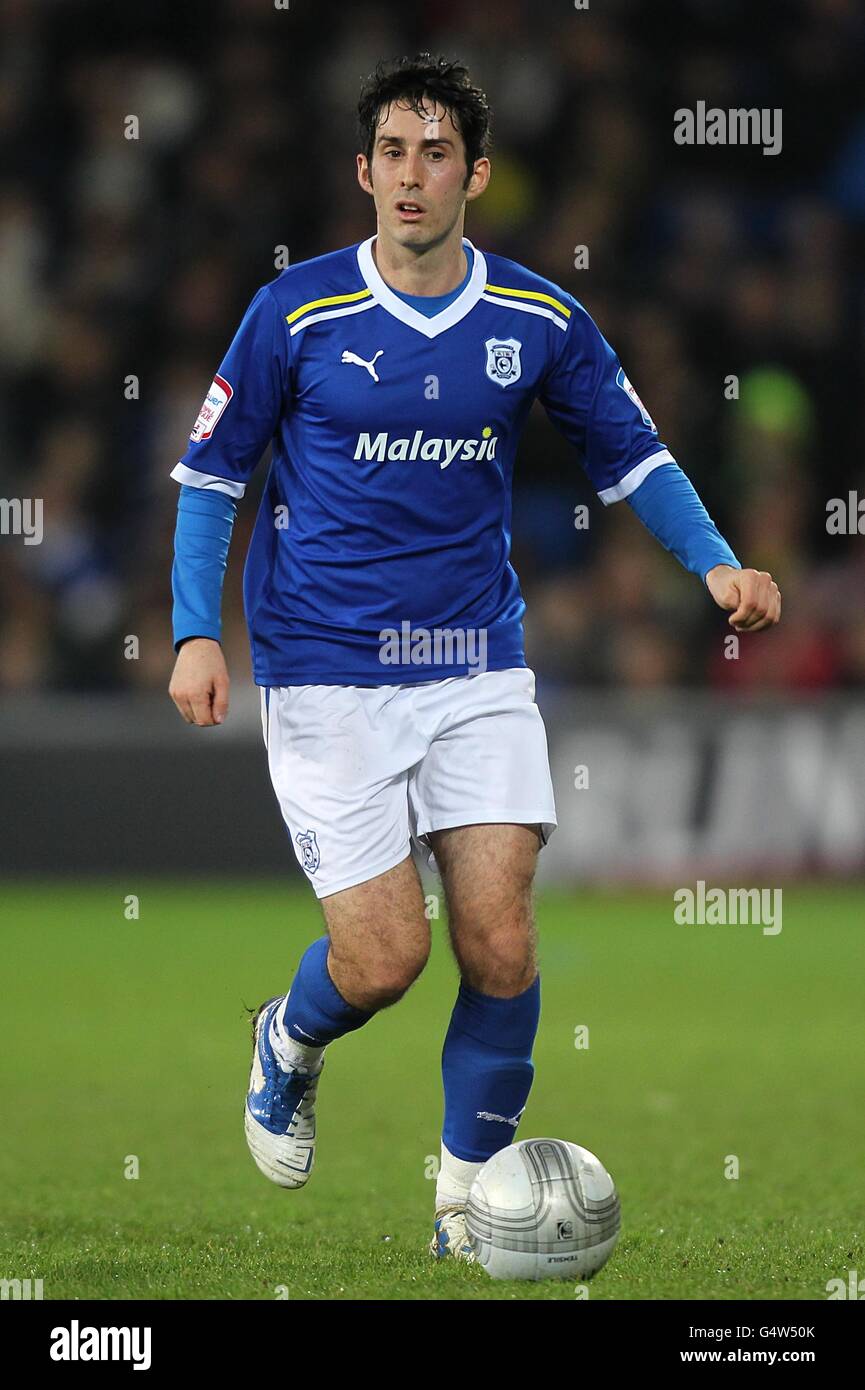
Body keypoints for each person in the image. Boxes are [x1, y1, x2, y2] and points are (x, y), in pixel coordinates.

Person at [167, 54, 781, 1261]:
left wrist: (714, 563)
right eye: (391, 152)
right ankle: (288, 1040)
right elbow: (210, 472)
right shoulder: (294, 313)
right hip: (326, 670)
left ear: (475, 174)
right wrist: (195, 626)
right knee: (387, 956)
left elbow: (633, 453)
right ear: (362, 172)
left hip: (474, 665)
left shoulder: (539, 319)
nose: (411, 174)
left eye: (435, 152)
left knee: (497, 933)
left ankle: (463, 1205)